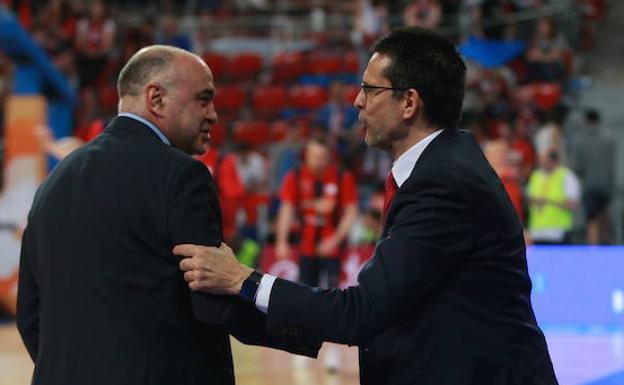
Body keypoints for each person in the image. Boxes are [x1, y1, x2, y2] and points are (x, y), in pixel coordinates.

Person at [177, 28, 559, 385]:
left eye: (369, 89)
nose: (357, 100)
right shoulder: (443, 166)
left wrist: (245, 280)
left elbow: (362, 313)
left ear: (409, 102)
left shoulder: (443, 183)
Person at [17, 45, 318, 385]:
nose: (214, 114)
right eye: (203, 99)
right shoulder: (182, 175)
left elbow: (30, 313)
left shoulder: (52, 183)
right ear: (156, 98)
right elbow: (211, 304)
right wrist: (312, 324)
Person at [274, 133, 359, 371]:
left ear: (329, 156)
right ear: (306, 156)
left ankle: (333, 353)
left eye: (322, 156)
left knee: (332, 300)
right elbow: (287, 209)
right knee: (305, 299)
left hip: (332, 253)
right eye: (313, 155)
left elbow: (352, 212)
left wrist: (334, 239)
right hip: (306, 249)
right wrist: (281, 240)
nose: (318, 160)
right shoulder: (296, 176)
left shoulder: (343, 177)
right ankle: (304, 347)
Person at [568, 109, 615, 244]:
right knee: (604, 217)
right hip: (606, 185)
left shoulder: (579, 141)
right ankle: (607, 248)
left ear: (586, 120)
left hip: (589, 185)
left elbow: (576, 167)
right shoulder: (609, 139)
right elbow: (612, 165)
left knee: (591, 219)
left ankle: (594, 252)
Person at [526, 150, 581, 245]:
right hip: (537, 232)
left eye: (545, 160)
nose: (542, 163)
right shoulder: (536, 176)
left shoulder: (566, 176)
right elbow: (529, 199)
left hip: (558, 232)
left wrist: (548, 201)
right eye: (540, 160)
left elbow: (573, 203)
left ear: (554, 161)